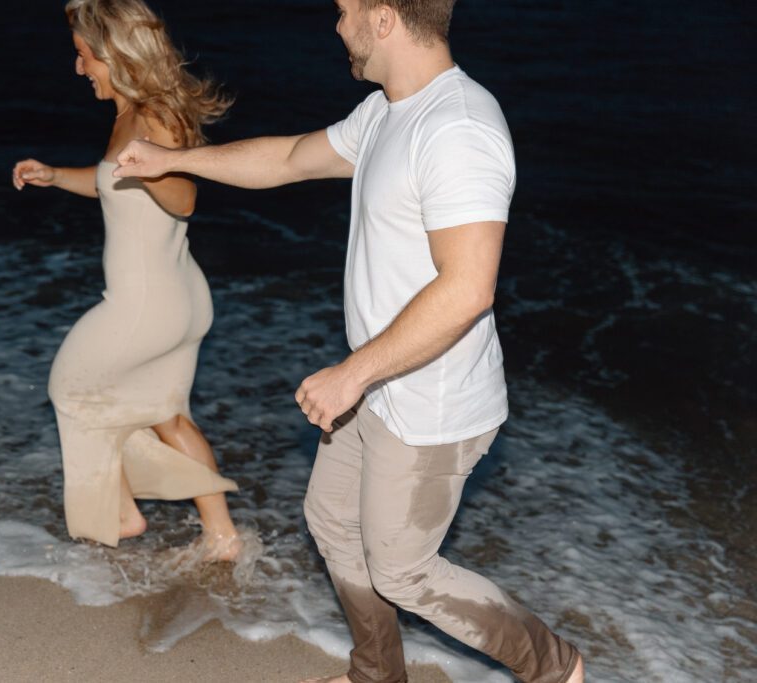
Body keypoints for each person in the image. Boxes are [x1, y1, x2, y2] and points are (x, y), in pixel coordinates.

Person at [113, 0, 585, 680]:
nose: (337, 26)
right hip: (378, 388)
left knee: (402, 568)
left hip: (431, 403)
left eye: (344, 10)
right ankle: (377, 673)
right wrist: (171, 158)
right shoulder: (389, 112)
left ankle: (555, 665)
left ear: (384, 17)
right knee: (331, 519)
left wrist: (352, 373)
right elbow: (289, 159)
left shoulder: (458, 129)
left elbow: (468, 288)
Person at [11, 0, 245, 560]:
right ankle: (223, 537)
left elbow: (183, 196)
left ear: (113, 56)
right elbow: (117, 184)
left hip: (144, 306)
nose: (79, 68)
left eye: (84, 57)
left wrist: (152, 168)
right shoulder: (137, 114)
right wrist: (54, 177)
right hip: (180, 296)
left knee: (70, 387)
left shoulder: (151, 119)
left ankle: (119, 513)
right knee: (167, 413)